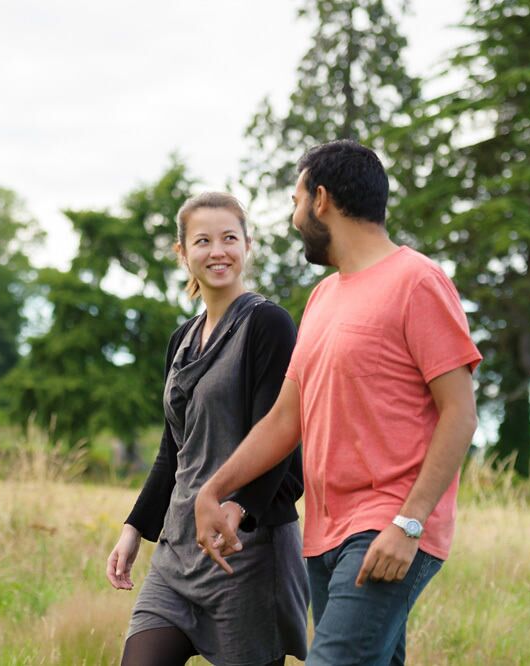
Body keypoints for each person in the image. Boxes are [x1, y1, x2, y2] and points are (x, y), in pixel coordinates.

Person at [194, 140, 482, 666]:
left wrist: (409, 523)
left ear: (321, 199)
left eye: (297, 200)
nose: (294, 216)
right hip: (324, 536)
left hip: (386, 526)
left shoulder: (418, 281)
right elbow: (285, 418)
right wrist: (214, 487)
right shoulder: (324, 297)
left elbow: (460, 414)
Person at [105, 192, 309, 666]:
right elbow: (173, 450)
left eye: (229, 238)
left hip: (245, 552)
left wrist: (239, 506)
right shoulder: (182, 339)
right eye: (203, 241)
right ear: (182, 253)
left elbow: (278, 436)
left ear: (248, 245)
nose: (218, 251)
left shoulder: (268, 324)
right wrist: (136, 528)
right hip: (178, 553)